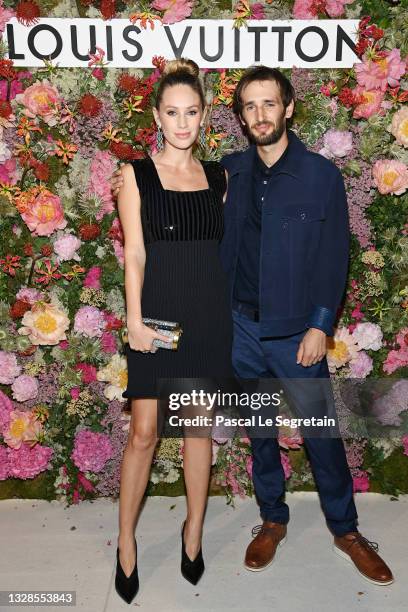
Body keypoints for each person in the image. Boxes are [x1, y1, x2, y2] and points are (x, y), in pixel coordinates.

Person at [111, 65, 394, 587]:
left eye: (270, 104)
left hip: (294, 334)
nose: (260, 114)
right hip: (236, 329)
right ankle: (272, 520)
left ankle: (347, 530)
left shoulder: (320, 175)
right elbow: (169, 244)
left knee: (319, 432)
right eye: (250, 106)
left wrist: (319, 325)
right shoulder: (231, 173)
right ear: (240, 116)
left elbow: (335, 257)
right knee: (259, 429)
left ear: (288, 108)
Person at [114, 58, 234, 604]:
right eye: (172, 112)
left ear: (203, 115)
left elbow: (221, 254)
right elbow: (134, 253)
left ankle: (192, 532)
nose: (182, 122)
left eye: (191, 112)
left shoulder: (219, 178)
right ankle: (125, 541)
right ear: (157, 117)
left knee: (197, 431)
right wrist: (134, 321)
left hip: (208, 318)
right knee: (143, 433)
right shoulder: (135, 175)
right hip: (158, 318)